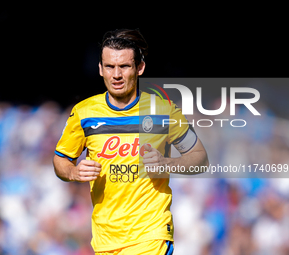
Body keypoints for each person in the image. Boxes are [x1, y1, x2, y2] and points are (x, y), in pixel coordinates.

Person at [53, 29, 209, 255]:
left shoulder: (163, 110)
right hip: (105, 239)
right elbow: (60, 160)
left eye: (124, 66)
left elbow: (200, 158)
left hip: (151, 235)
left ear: (140, 68)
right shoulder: (84, 113)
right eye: (109, 67)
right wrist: (73, 172)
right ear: (100, 69)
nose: (116, 74)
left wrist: (166, 163)